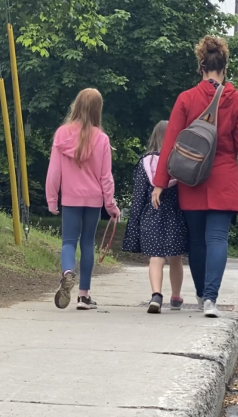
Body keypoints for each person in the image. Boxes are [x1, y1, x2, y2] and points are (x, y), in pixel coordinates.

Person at [151, 35, 238, 318]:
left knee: (197, 241)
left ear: (201, 67)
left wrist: (160, 184)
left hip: (192, 178)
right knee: (218, 239)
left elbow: (171, 142)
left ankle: (200, 296)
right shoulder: (237, 99)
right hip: (223, 178)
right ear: (224, 67)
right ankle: (211, 299)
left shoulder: (186, 98)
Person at [45, 88, 120, 310]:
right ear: (98, 109)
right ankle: (84, 296)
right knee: (88, 243)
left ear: (76, 105)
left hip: (70, 198)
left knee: (69, 241)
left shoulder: (61, 134)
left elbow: (54, 171)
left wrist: (52, 199)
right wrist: (111, 205)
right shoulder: (103, 139)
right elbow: (106, 177)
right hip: (94, 200)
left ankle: (68, 272)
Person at [121, 120, 189, 314]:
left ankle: (156, 295)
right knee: (175, 258)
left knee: (156, 257)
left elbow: (139, 195)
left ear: (154, 137)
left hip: (152, 214)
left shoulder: (146, 162)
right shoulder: (180, 162)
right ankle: (175, 296)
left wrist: (134, 222)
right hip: (175, 215)